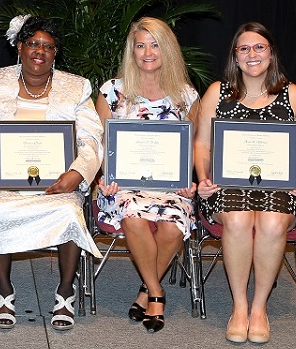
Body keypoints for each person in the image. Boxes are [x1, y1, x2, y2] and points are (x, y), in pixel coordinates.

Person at [0, 15, 103, 331]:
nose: (39, 51)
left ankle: (65, 291)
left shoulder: (76, 87)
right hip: (9, 180)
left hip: (59, 182)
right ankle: (4, 289)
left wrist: (77, 174)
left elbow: (92, 138)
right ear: (20, 47)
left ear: (55, 53)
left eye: (48, 46)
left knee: (71, 211)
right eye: (33, 44)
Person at [194, 22, 296, 344]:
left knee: (273, 223)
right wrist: (204, 177)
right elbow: (202, 144)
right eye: (244, 48)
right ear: (235, 56)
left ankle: (259, 308)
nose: (252, 54)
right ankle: (239, 306)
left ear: (271, 53)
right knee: (236, 220)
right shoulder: (217, 92)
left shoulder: (292, 94)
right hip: (226, 185)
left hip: (280, 185)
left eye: (259, 47)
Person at [94, 17, 199, 334]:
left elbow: (193, 145)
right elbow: (99, 142)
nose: (147, 52)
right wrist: (103, 175)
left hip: (170, 187)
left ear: (167, 50)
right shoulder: (112, 91)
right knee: (133, 215)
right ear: (132, 51)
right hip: (121, 185)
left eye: (155, 44)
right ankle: (157, 293)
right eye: (140, 45)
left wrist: (189, 179)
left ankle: (146, 288)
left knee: (172, 226)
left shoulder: (186, 95)